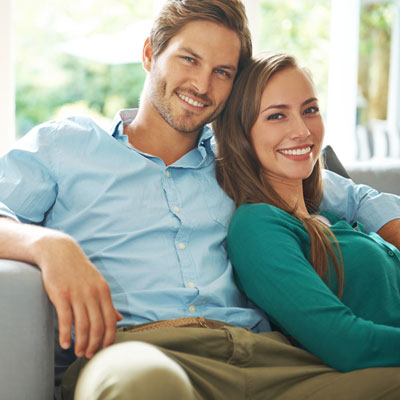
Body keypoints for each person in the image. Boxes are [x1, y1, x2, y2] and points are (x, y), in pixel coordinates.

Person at [0, 1, 399, 399]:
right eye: (188, 60)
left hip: (265, 357)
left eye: (222, 72)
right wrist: (50, 245)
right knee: (145, 386)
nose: (202, 85)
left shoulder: (243, 160)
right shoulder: (65, 145)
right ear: (148, 54)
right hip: (137, 352)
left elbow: (358, 198)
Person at [214, 51, 400, 374]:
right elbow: (347, 343)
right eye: (277, 116)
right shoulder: (256, 226)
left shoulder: (328, 213)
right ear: (242, 134)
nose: (302, 130)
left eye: (310, 109)